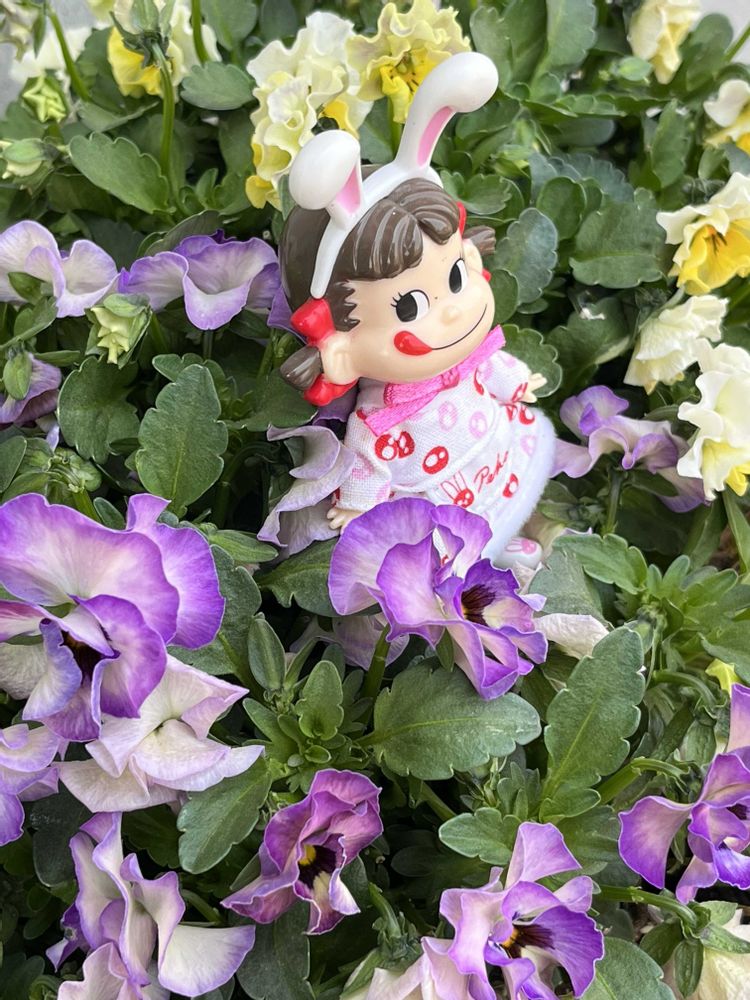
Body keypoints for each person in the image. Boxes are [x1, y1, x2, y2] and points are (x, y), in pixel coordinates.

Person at [277, 53, 554, 567]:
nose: (453, 313)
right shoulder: (381, 416)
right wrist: (357, 505)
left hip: (495, 451)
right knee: (460, 547)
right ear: (339, 344)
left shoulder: (468, 357)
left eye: (456, 277)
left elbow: (489, 365)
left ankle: (517, 534)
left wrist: (516, 382)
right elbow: (368, 461)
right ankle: (495, 560)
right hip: (438, 495)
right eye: (408, 306)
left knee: (513, 493)